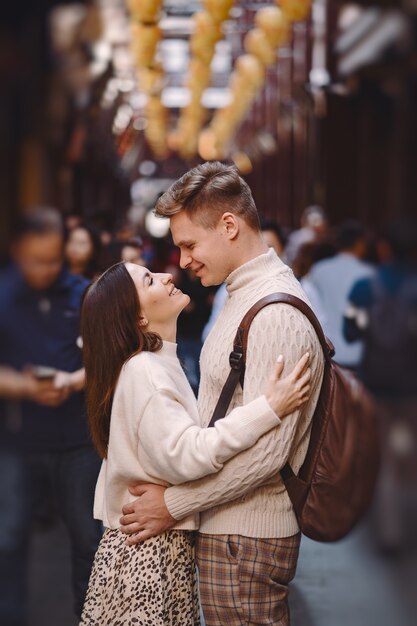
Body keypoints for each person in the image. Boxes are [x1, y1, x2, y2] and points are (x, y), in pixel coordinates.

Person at [119, 162, 325, 626]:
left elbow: (269, 454)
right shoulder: (241, 293)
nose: (184, 261)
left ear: (229, 226)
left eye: (190, 245)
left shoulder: (274, 313)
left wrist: (173, 505)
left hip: (246, 537)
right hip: (231, 530)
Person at [79, 261, 311, 625]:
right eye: (150, 280)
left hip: (156, 546)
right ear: (138, 317)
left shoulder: (155, 364)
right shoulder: (145, 371)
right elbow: (188, 454)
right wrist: (267, 409)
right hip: (148, 554)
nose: (168, 275)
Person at [0, 207, 102, 625]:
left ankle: (90, 617)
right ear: (17, 252)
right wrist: (26, 388)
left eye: (54, 259)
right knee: (8, 540)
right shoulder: (4, 295)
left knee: (87, 540)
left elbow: (107, 359)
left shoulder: (84, 295)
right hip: (18, 442)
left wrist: (73, 381)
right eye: (36, 260)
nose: (47, 269)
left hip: (78, 441)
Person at [344, 216, 417, 552]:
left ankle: (390, 532)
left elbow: (351, 331)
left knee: (385, 458)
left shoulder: (363, 288)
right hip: (412, 386)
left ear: (384, 248)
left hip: (376, 383)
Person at [307, 220, 374, 368]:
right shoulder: (369, 274)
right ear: (360, 244)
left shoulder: (319, 270)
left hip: (327, 350)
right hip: (359, 353)